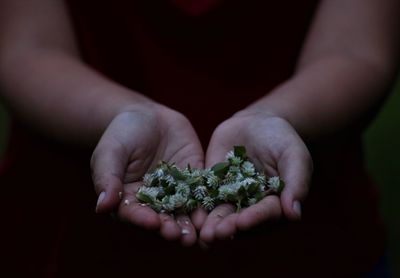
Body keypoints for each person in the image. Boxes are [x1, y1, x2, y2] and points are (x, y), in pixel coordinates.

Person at [0, 0, 398, 277]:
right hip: (72, 239)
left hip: (312, 247)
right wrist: (121, 114)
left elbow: (357, 49)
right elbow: (26, 48)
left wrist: (276, 116)